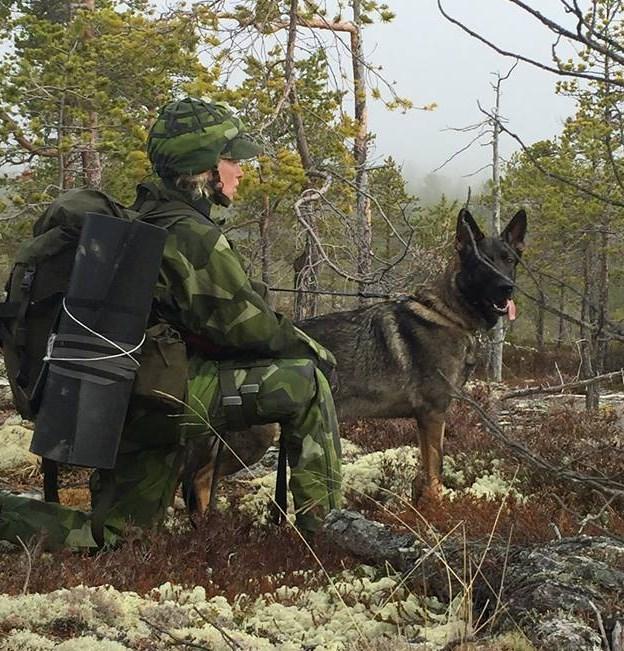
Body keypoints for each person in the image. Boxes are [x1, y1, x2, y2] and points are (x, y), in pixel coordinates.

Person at [0, 97, 342, 549]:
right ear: (204, 167)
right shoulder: (193, 235)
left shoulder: (147, 218)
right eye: (231, 159)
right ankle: (331, 533)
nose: (240, 171)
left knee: (121, 539)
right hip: (156, 401)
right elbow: (252, 329)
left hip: (119, 399)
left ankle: (9, 516)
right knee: (306, 382)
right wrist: (315, 350)